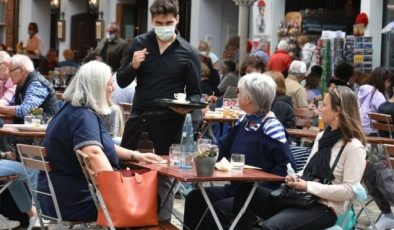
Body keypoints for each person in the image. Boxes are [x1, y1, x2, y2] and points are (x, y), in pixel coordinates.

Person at [37, 60, 163, 221]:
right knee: (148, 199)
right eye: (110, 84)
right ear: (96, 87)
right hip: (75, 201)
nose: (113, 88)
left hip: (53, 197)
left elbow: (101, 145)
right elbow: (93, 153)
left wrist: (136, 155)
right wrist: (119, 190)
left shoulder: (69, 110)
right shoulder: (83, 116)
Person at [233, 85, 367, 229]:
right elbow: (307, 170)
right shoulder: (322, 137)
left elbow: (349, 190)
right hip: (299, 198)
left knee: (270, 227)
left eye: (324, 105)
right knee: (245, 190)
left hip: (324, 208)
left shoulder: (353, 146)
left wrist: (308, 186)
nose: (320, 109)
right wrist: (296, 177)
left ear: (337, 111)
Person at [116, 0, 201, 221]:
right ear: (152, 21)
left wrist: (189, 112)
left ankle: (161, 222)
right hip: (139, 119)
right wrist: (133, 65)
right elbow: (122, 81)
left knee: (164, 177)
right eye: (159, 22)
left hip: (170, 121)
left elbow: (194, 93)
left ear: (178, 19)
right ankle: (127, 220)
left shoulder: (188, 51)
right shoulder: (139, 43)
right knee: (129, 171)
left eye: (169, 22)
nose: (164, 26)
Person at [183, 73, 295, 230]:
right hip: (236, 189)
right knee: (195, 198)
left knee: (217, 208)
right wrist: (201, 154)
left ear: (248, 98)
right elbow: (221, 148)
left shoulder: (271, 127)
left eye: (239, 91)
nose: (236, 94)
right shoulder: (244, 120)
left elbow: (287, 168)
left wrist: (259, 180)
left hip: (260, 194)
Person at [0, 54, 59, 124]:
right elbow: (11, 105)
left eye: (10, 71)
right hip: (31, 128)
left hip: (46, 130)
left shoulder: (37, 83)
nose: (9, 74)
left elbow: (26, 111)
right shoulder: (21, 84)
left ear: (21, 70)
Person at [357, 67, 388, 135]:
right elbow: (385, 114)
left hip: (360, 130)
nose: (388, 84)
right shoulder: (377, 95)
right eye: (387, 80)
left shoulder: (365, 92)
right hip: (372, 131)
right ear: (382, 81)